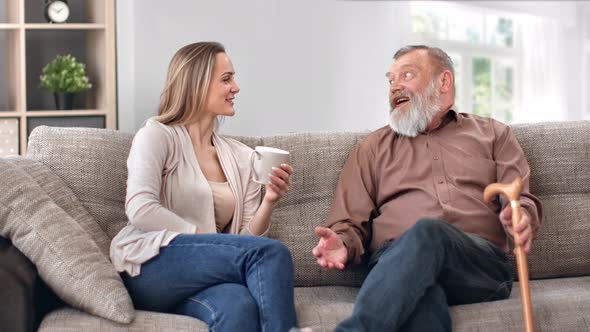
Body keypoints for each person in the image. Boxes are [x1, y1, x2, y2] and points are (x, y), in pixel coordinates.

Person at [311, 45, 543, 331]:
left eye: (406, 75)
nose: (395, 87)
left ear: (443, 82)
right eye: (390, 80)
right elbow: (348, 224)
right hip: (396, 264)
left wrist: (521, 216)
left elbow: (519, 197)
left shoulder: (494, 134)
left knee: (428, 231)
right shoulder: (371, 149)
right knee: (423, 304)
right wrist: (342, 244)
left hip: (479, 265)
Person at [109, 41, 298, 332]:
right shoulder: (157, 135)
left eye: (233, 78)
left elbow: (243, 238)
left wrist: (269, 200)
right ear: (196, 84)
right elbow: (140, 208)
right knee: (271, 252)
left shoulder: (241, 157)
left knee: (238, 306)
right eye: (226, 79)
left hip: (203, 277)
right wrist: (207, 239)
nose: (236, 88)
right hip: (149, 266)